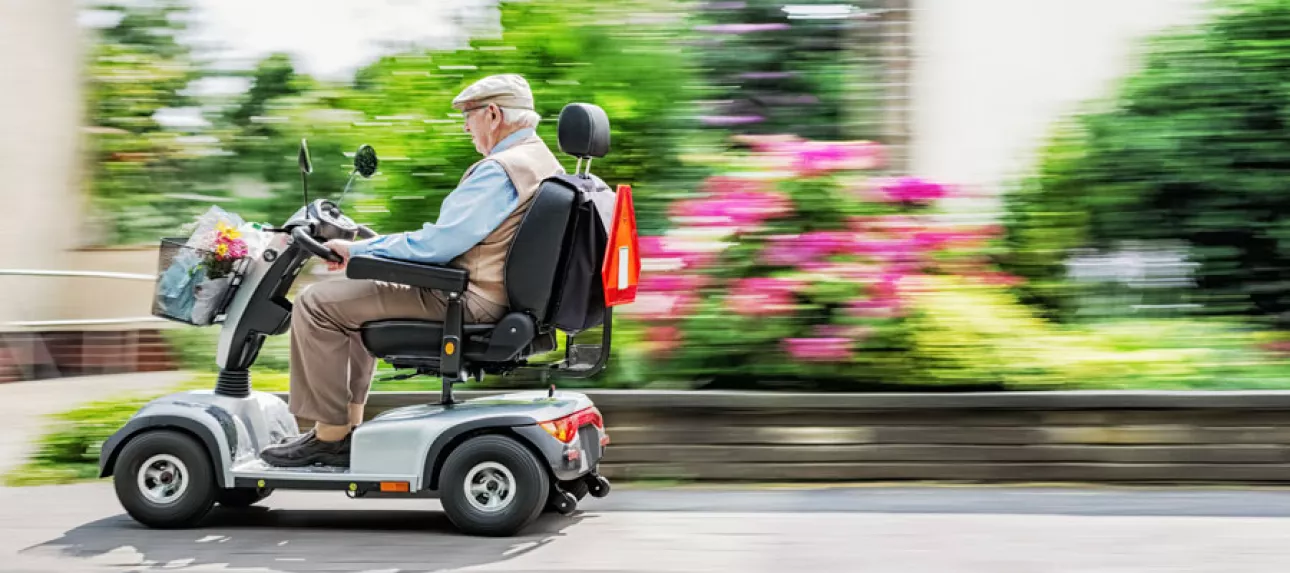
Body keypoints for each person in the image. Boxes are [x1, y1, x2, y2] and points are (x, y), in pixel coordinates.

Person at [259, 74, 566, 467]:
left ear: (492, 115)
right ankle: (345, 428)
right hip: (497, 295)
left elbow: (437, 246)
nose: (465, 127)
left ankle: (331, 436)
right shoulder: (542, 162)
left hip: (467, 298)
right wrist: (367, 253)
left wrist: (357, 250)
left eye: (468, 117)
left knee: (316, 303)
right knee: (349, 294)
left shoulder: (499, 170)